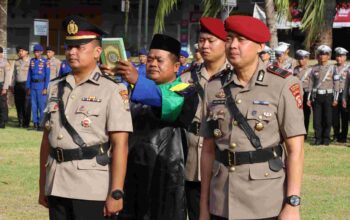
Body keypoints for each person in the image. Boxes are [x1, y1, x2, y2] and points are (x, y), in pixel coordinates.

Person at [199, 15, 305, 220]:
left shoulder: (283, 84)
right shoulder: (214, 87)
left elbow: (296, 150)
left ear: (259, 46)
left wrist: (292, 203)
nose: (233, 45)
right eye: (229, 38)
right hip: (221, 199)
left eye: (241, 39)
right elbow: (208, 150)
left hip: (264, 201)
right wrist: (204, 205)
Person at [38, 15, 133, 219]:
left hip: (91, 186)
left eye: (80, 47)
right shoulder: (56, 86)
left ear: (98, 52)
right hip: (57, 182)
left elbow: (120, 144)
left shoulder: (112, 90)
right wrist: (42, 183)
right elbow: (47, 139)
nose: (72, 52)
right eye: (69, 46)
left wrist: (116, 192)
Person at [109, 34, 197, 220]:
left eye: (159, 60)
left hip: (165, 177)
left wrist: (137, 81)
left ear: (175, 66)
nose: (153, 64)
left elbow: (169, 104)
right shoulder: (131, 90)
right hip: (130, 174)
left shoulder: (185, 90)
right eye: (150, 59)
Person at [180, 17, 228, 220]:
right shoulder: (186, 78)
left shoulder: (235, 78)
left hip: (221, 165)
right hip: (191, 164)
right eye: (202, 40)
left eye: (211, 40)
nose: (204, 45)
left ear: (225, 43)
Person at [307, 45, 339, 145]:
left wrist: (336, 98)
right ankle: (318, 138)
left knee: (328, 119)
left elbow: (336, 83)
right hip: (317, 97)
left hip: (328, 96)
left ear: (328, 56)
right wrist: (308, 98)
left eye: (325, 54)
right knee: (317, 119)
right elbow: (310, 84)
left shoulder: (333, 68)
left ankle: (326, 138)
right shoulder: (314, 68)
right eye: (320, 54)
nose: (322, 56)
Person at [26, 44, 50, 130]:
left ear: (41, 52)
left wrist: (45, 88)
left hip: (41, 85)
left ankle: (41, 124)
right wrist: (28, 87)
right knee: (33, 105)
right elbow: (29, 75)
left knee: (41, 105)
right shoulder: (32, 61)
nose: (36, 53)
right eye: (35, 52)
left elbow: (47, 76)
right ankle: (35, 123)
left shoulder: (45, 62)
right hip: (33, 85)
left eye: (37, 52)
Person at [10, 45, 32, 128]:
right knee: (18, 104)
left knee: (26, 104)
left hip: (26, 84)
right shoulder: (16, 62)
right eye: (19, 51)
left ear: (27, 52)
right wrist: (12, 85)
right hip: (18, 85)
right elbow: (13, 75)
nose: (20, 52)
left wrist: (30, 86)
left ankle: (26, 123)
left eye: (22, 51)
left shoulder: (31, 61)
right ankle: (20, 122)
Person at [332, 47, 349, 143]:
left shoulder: (348, 67)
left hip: (344, 94)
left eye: (341, 56)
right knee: (334, 117)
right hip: (334, 94)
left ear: (345, 57)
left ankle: (343, 136)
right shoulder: (332, 68)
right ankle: (336, 135)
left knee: (344, 117)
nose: (338, 58)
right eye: (337, 56)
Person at [293, 49, 312, 137]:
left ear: (307, 59)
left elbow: (311, 83)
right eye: (300, 58)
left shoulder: (310, 70)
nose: (301, 60)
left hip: (306, 92)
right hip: (296, 92)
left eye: (304, 58)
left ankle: (305, 132)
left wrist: (310, 97)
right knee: (296, 113)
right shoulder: (295, 69)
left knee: (306, 114)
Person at [0, 46, 11, 128]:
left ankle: (3, 121)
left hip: (1, 84)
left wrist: (5, 87)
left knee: (2, 104)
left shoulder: (5, 63)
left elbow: (8, 76)